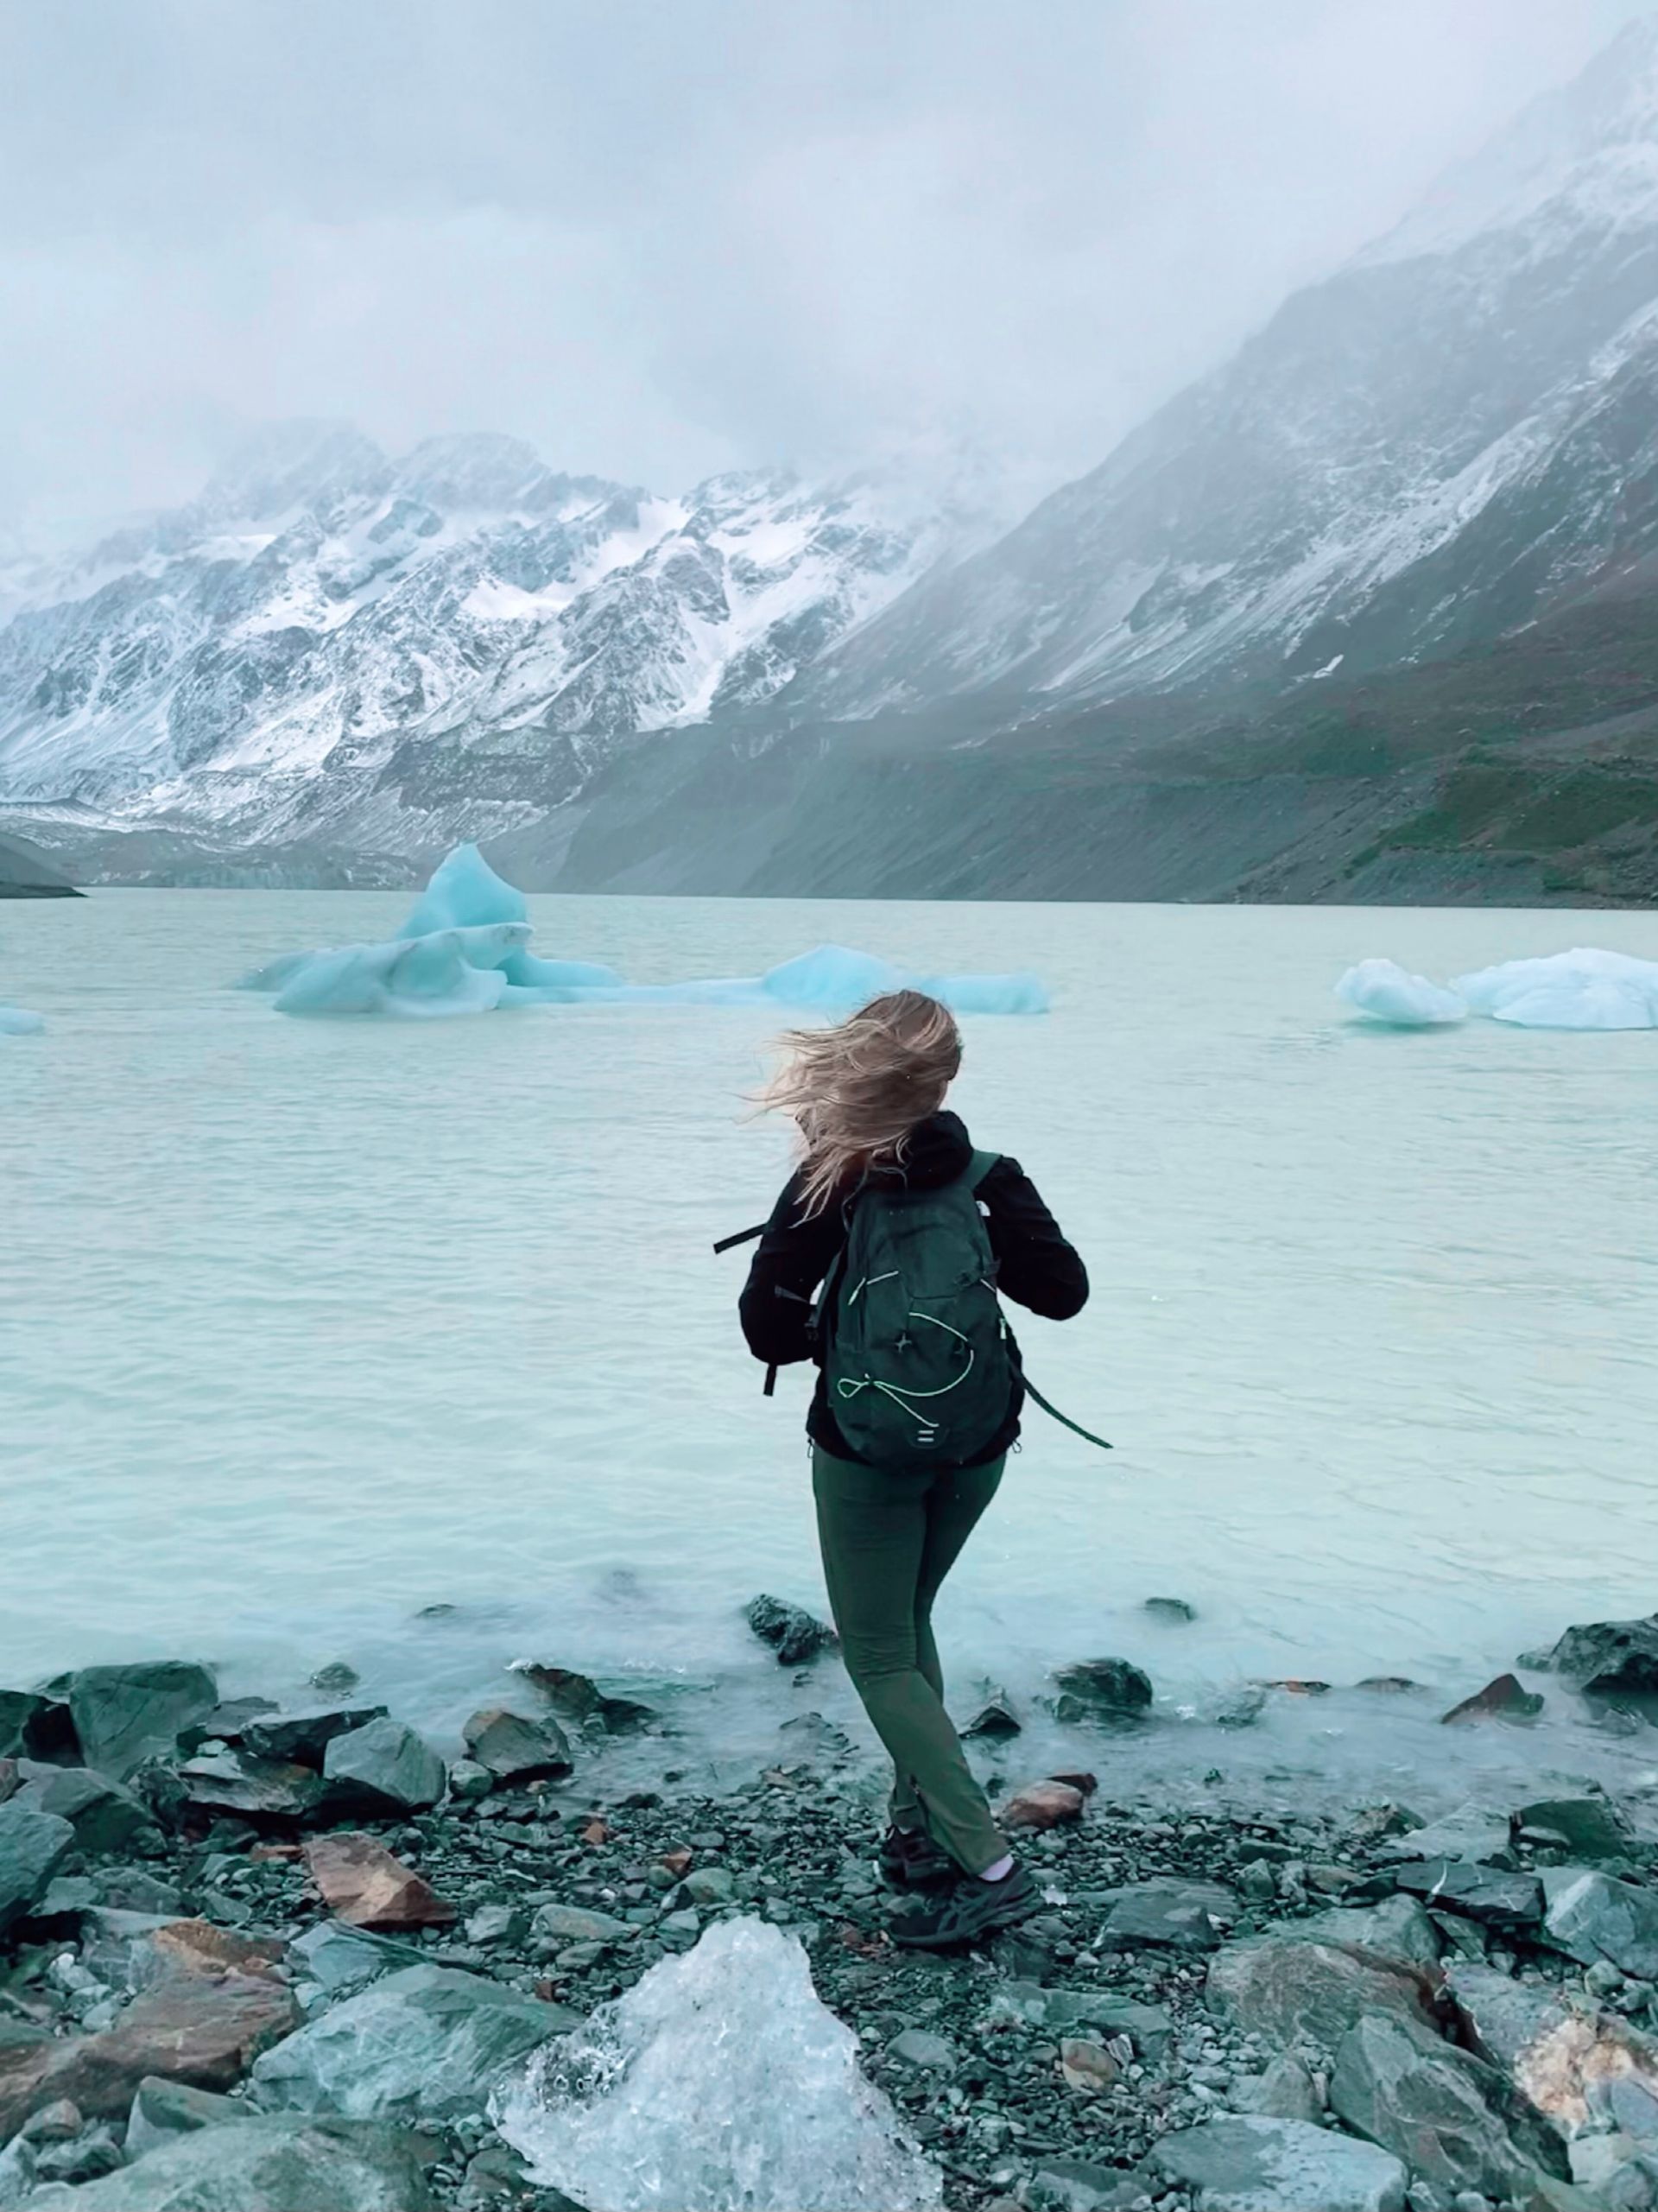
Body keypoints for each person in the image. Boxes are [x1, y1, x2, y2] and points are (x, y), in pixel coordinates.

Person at [738, 990, 1088, 1947]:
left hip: (862, 1451)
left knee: (880, 1651)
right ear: (949, 1077)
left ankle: (989, 1862)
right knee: (909, 1622)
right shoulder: (989, 1175)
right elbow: (1064, 1295)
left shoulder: (829, 1178)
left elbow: (765, 1324)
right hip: (977, 1442)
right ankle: (916, 1831)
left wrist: (849, 1341)